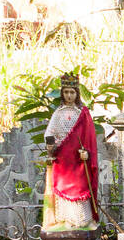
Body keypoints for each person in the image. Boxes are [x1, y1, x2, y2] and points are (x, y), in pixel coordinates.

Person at [41, 73, 100, 231]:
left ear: (77, 94)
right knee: (63, 186)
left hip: (79, 159)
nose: (69, 96)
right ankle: (66, 220)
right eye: (66, 92)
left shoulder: (83, 114)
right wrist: (51, 144)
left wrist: (86, 153)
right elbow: (50, 133)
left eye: (72, 92)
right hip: (63, 159)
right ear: (62, 93)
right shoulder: (58, 113)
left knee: (79, 188)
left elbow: (89, 138)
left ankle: (82, 220)